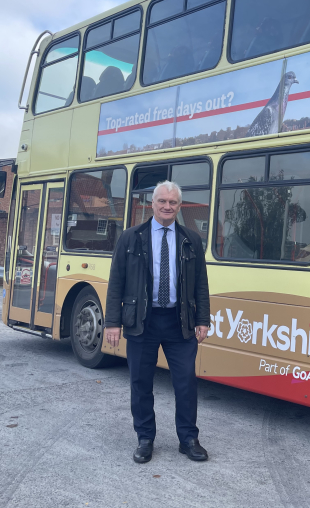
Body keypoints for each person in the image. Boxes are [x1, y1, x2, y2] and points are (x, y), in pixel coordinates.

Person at [105, 180, 211, 464]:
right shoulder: (131, 237)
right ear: (152, 204)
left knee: (186, 382)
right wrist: (112, 322)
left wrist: (203, 319)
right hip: (143, 321)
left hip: (180, 322)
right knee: (141, 382)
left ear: (179, 206)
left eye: (172, 202)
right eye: (162, 201)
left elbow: (201, 282)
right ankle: (145, 438)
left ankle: (188, 438)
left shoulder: (191, 239)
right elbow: (116, 282)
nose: (167, 207)